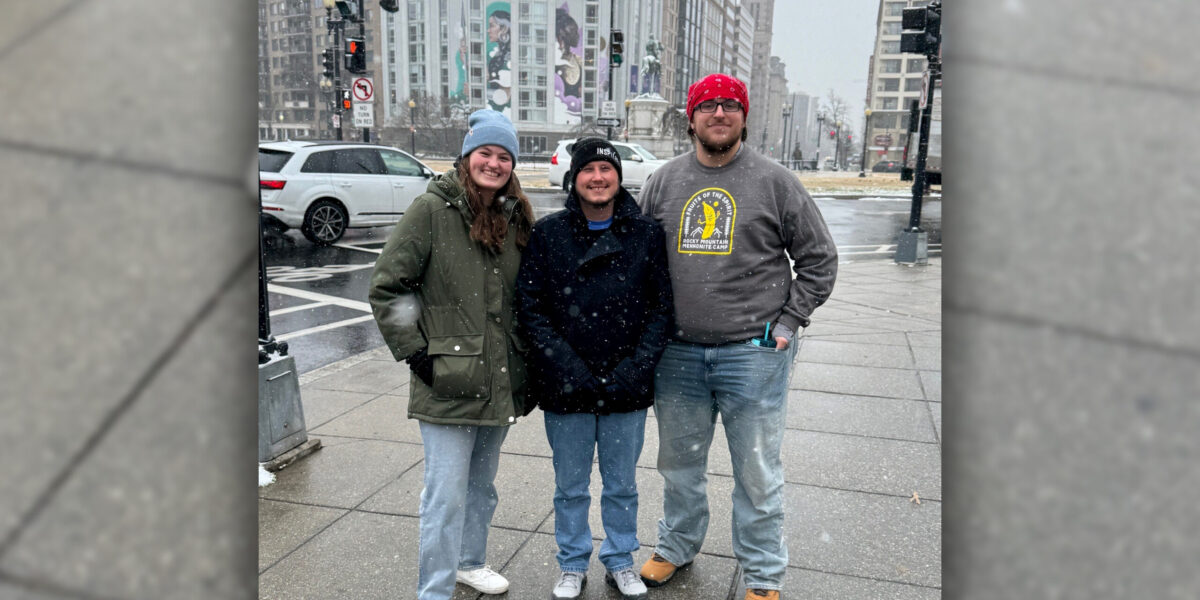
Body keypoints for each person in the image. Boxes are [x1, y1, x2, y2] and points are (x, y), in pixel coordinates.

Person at [636, 73, 838, 600]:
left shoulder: (776, 182)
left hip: (753, 353)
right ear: (691, 118)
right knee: (679, 465)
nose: (719, 114)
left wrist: (789, 323)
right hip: (676, 354)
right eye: (708, 106)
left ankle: (764, 575)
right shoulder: (663, 181)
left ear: (744, 117)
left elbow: (819, 260)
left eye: (729, 106)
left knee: (757, 473)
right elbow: (636, 260)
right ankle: (676, 546)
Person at [369, 109, 535, 600]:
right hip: (446, 379)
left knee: (481, 489)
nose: (495, 163)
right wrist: (416, 354)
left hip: (496, 377)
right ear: (467, 157)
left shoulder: (515, 217)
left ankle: (469, 562)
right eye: (486, 152)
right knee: (444, 497)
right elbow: (387, 287)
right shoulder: (432, 211)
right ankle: (435, 590)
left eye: (505, 156)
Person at [516, 138, 673, 600]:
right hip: (567, 387)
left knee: (622, 484)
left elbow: (661, 309)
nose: (598, 177)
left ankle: (621, 559)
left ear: (619, 178)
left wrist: (634, 369)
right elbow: (532, 308)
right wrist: (570, 368)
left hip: (626, 386)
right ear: (575, 176)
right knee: (570, 487)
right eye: (589, 169)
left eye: (607, 169)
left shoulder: (646, 234)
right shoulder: (549, 234)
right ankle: (571, 562)